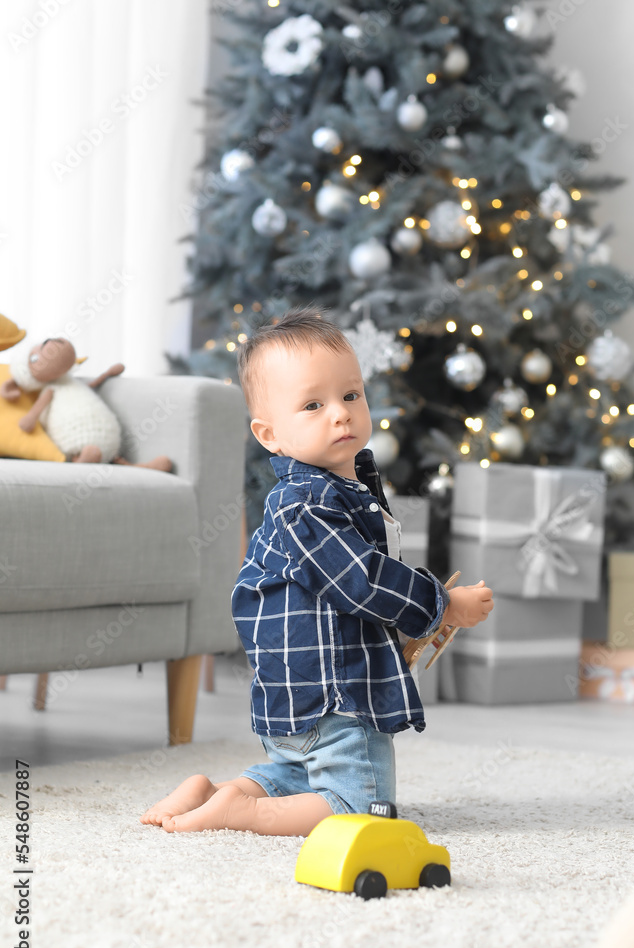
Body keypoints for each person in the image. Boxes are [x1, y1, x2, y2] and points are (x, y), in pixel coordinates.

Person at [140, 306, 493, 837]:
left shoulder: (337, 492)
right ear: (269, 434)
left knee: (293, 772)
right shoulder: (306, 504)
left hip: (299, 693)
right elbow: (364, 579)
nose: (341, 413)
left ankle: (220, 792)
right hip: (337, 693)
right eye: (312, 404)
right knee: (362, 809)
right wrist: (442, 605)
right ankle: (246, 814)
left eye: (351, 395)